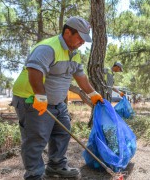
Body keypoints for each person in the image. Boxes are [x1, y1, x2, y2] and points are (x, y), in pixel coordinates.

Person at [11, 16, 104, 180]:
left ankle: (56, 166)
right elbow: (34, 71)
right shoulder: (48, 48)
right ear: (68, 32)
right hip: (32, 100)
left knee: (63, 132)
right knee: (36, 138)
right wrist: (40, 97)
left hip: (57, 103)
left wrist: (93, 94)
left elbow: (80, 76)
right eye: (80, 38)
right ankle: (34, 175)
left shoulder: (73, 53)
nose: (82, 42)